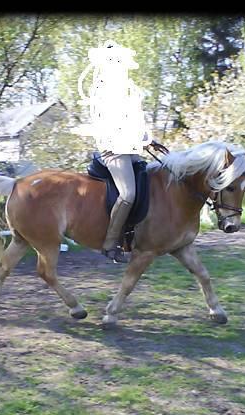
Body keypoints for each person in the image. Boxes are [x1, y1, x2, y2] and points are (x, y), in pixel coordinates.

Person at [73, 40, 160, 263]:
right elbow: (111, 127)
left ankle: (142, 235)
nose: (118, 66)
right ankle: (110, 243)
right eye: (114, 62)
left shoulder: (127, 92)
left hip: (130, 150)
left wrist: (149, 141)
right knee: (128, 194)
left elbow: (133, 123)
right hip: (113, 151)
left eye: (120, 62)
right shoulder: (101, 92)